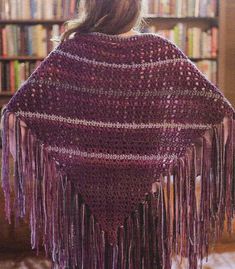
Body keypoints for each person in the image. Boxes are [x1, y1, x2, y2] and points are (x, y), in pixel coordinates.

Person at [1, 1, 235, 269]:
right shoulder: (162, 53)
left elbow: (13, 121)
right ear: (136, 9)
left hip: (80, 209)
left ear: (92, 7)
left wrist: (57, 172)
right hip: (144, 206)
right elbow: (222, 122)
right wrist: (168, 171)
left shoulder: (69, 54)